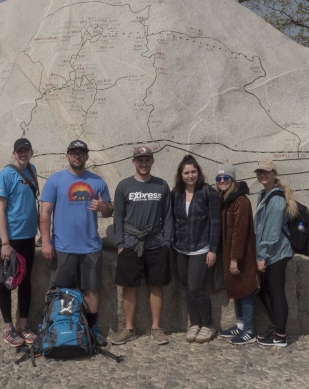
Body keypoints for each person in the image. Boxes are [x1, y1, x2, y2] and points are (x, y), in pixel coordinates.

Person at [39, 140, 113, 347]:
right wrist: (46, 242)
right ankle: (66, 328)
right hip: (63, 247)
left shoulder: (98, 182)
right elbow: (44, 214)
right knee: (64, 290)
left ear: (87, 156)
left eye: (81, 153)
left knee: (92, 289)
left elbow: (109, 211)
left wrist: (102, 208)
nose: (77, 156)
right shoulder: (55, 180)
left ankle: (93, 328)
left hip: (90, 247)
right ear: (67, 156)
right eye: (73, 152)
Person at [110, 146, 174, 346]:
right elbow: (118, 216)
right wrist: (120, 243)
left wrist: (168, 243)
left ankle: (156, 327)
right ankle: (129, 328)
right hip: (130, 244)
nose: (143, 163)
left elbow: (168, 216)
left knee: (156, 285)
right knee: (129, 286)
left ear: (152, 161)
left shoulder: (161, 186)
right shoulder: (123, 186)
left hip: (156, 244)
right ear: (133, 162)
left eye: (147, 159)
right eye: (140, 160)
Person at [0, 138, 40, 347]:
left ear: (31, 152)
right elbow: (0, 208)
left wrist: (40, 231)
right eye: (19, 151)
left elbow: (31, 203)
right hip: (9, 238)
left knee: (25, 280)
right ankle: (8, 329)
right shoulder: (6, 174)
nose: (23, 154)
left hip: (27, 236)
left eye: (26, 151)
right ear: (14, 154)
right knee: (6, 281)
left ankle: (23, 325)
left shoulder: (32, 170)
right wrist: (4, 242)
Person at [171, 154, 221, 344]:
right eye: (186, 172)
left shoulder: (208, 192)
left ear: (198, 173)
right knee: (187, 288)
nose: (190, 175)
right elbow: (172, 221)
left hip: (201, 248)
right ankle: (194, 323)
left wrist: (213, 249)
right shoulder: (175, 193)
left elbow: (216, 223)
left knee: (196, 287)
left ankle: (208, 325)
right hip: (180, 248)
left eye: (193, 172)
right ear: (181, 174)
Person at [214, 163, 260, 345]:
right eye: (219, 179)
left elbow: (239, 232)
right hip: (229, 254)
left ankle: (249, 330)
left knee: (245, 289)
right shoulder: (226, 200)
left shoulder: (240, 201)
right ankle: (240, 325)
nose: (222, 181)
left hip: (241, 255)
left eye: (226, 178)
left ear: (232, 180)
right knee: (236, 289)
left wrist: (234, 259)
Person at [253, 160, 296, 347]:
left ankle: (280, 335)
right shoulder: (263, 194)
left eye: (266, 172)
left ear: (274, 173)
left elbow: (271, 231)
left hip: (276, 253)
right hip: (269, 253)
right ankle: (276, 326)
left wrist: (262, 255)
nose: (263, 175)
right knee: (265, 291)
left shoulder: (277, 199)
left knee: (277, 292)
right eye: (260, 172)